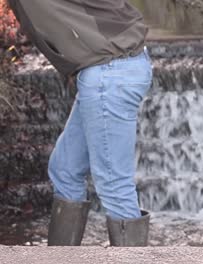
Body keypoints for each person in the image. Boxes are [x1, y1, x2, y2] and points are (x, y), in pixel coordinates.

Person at [7, 0, 153, 247]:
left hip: (110, 71)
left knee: (114, 185)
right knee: (65, 169)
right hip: (109, 67)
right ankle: (62, 258)